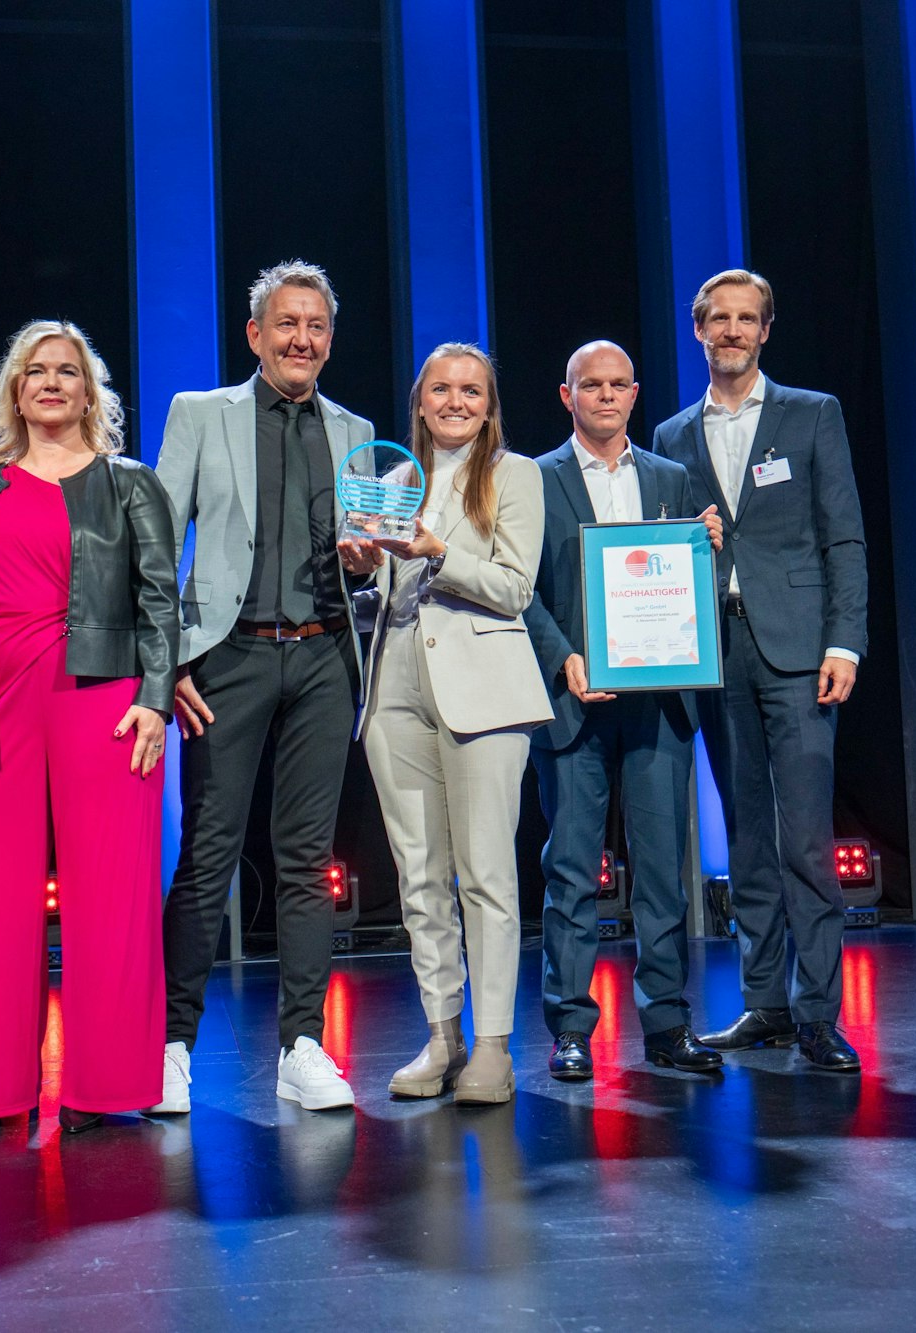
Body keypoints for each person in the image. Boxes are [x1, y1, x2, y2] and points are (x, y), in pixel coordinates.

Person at [0, 320, 179, 1136]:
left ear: (88, 391)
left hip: (103, 695)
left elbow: (159, 599)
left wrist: (154, 694)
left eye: (67, 371)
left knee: (111, 893)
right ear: (14, 389)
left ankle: (105, 1088)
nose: (50, 383)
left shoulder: (129, 482)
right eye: (35, 371)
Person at [152, 261, 375, 1113]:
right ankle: (173, 1045)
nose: (301, 339)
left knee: (306, 860)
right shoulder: (202, 414)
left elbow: (368, 549)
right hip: (227, 657)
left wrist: (365, 565)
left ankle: (303, 1044)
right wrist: (167, 660)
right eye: (286, 324)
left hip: (324, 659)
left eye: (316, 326)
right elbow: (156, 544)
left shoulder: (355, 427)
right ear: (255, 334)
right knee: (208, 855)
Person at [653, 269, 868, 1074]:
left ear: (766, 330)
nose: (733, 331)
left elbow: (843, 535)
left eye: (748, 319)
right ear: (699, 329)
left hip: (801, 650)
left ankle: (819, 1012)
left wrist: (845, 642)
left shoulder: (813, 415)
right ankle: (766, 1001)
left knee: (806, 839)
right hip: (717, 651)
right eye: (719, 319)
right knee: (743, 835)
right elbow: (659, 546)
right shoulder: (673, 435)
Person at [341, 344, 551, 1104]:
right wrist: (362, 566)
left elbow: (515, 588)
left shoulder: (514, 475)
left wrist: (438, 551)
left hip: (486, 687)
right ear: (419, 400)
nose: (456, 401)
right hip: (395, 681)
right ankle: (443, 1034)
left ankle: (492, 1043)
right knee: (420, 873)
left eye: (472, 391)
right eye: (442, 389)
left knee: (488, 873)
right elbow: (377, 593)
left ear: (489, 405)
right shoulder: (394, 479)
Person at [526, 340, 725, 1081]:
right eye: (591, 385)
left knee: (662, 873)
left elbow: (694, 588)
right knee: (573, 868)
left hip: (659, 704)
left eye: (617, 385)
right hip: (573, 702)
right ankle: (571, 1026)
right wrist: (561, 656)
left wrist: (709, 550)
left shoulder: (671, 478)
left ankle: (668, 1023)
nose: (605, 396)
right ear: (567, 393)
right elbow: (521, 587)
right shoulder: (533, 480)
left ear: (635, 394)